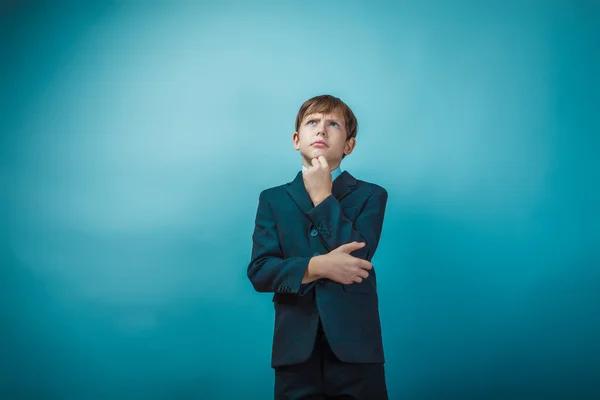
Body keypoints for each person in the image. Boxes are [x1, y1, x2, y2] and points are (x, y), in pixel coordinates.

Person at [247, 94, 389, 399]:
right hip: (295, 352)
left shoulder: (371, 195)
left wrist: (324, 197)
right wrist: (317, 266)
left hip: (357, 351)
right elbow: (260, 271)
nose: (321, 130)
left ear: (348, 145)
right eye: (313, 122)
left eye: (333, 124)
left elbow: (358, 259)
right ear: (297, 139)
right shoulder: (273, 199)